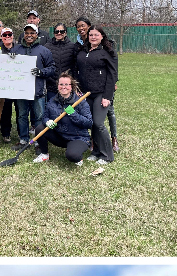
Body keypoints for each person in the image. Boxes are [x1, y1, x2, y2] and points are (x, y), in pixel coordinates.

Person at [73, 25, 117, 167]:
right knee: (91, 123)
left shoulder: (107, 52)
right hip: (86, 93)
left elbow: (112, 75)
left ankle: (107, 155)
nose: (93, 37)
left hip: (101, 93)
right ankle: (96, 151)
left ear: (102, 36)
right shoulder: (83, 50)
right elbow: (76, 70)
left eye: (96, 35)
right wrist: (77, 88)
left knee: (98, 123)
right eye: (91, 35)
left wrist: (107, 96)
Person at [33, 72, 94, 168]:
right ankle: (44, 154)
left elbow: (89, 123)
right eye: (61, 84)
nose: (63, 87)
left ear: (71, 86)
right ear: (58, 86)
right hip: (60, 136)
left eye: (66, 84)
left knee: (72, 155)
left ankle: (77, 155)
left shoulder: (80, 102)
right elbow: (45, 117)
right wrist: (47, 121)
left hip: (77, 138)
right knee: (39, 128)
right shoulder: (52, 101)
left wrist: (73, 114)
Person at [12, 23, 54, 145]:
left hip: (38, 90)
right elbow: (8, 66)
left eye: (32, 33)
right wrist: (10, 57)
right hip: (21, 90)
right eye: (27, 33)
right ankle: (23, 139)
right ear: (24, 35)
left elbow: (52, 68)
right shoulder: (16, 50)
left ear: (37, 35)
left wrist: (41, 72)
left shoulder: (44, 51)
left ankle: (38, 140)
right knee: (22, 115)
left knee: (39, 116)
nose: (29, 35)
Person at [46, 22, 78, 94]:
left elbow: (75, 66)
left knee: (69, 102)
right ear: (54, 33)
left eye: (62, 31)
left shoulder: (72, 47)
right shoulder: (47, 47)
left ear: (65, 33)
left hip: (67, 86)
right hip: (52, 86)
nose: (59, 33)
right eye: (57, 31)